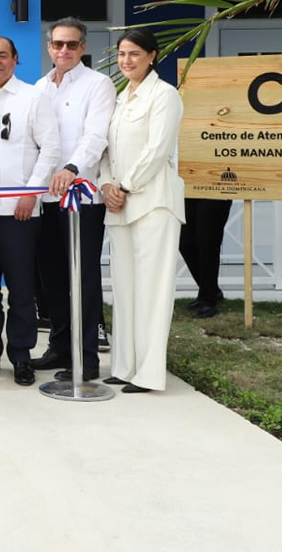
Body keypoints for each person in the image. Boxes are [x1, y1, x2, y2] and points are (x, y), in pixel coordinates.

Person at [0, 36, 60, 387]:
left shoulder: (33, 98)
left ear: (15, 59)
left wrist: (30, 193)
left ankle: (20, 355)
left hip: (18, 212)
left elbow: (50, 148)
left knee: (21, 290)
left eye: (3, 55)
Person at [99, 28, 185, 393]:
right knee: (124, 288)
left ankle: (149, 374)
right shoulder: (121, 99)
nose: (126, 61)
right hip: (118, 205)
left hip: (153, 202)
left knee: (152, 289)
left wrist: (124, 185)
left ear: (152, 55)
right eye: (121, 54)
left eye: (134, 54)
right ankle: (125, 366)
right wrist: (106, 184)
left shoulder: (165, 95)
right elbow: (107, 151)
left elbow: (157, 149)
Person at [33, 18, 117, 382]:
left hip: (81, 196)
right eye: (57, 44)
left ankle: (87, 358)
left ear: (83, 47)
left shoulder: (98, 85)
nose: (63, 50)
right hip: (46, 198)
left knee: (81, 276)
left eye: (71, 44)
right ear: (49, 47)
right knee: (51, 276)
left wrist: (71, 167)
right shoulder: (39, 88)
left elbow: (96, 135)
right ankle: (60, 346)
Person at [180, 198, 232, 318]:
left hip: (215, 192)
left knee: (207, 243)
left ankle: (208, 300)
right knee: (185, 241)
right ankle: (211, 290)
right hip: (190, 191)